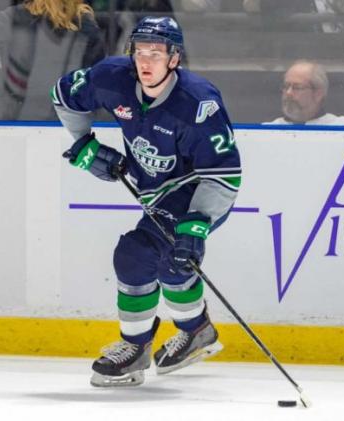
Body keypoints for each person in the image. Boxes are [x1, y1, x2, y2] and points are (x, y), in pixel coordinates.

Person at [52, 16, 241, 387]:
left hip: (199, 188)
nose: (146, 61)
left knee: (136, 254)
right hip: (155, 189)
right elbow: (63, 94)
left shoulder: (200, 104)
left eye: (156, 53)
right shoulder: (112, 78)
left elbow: (224, 173)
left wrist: (196, 224)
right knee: (172, 266)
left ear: (175, 58)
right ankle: (196, 329)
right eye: (140, 51)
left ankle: (135, 347)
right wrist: (84, 145)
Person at [0, 0, 105, 120]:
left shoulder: (16, 17)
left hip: (22, 114)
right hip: (71, 114)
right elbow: (97, 77)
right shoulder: (86, 24)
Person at [264, 60, 344, 125]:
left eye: (297, 88)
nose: (288, 93)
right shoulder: (264, 132)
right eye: (286, 87)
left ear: (318, 94)